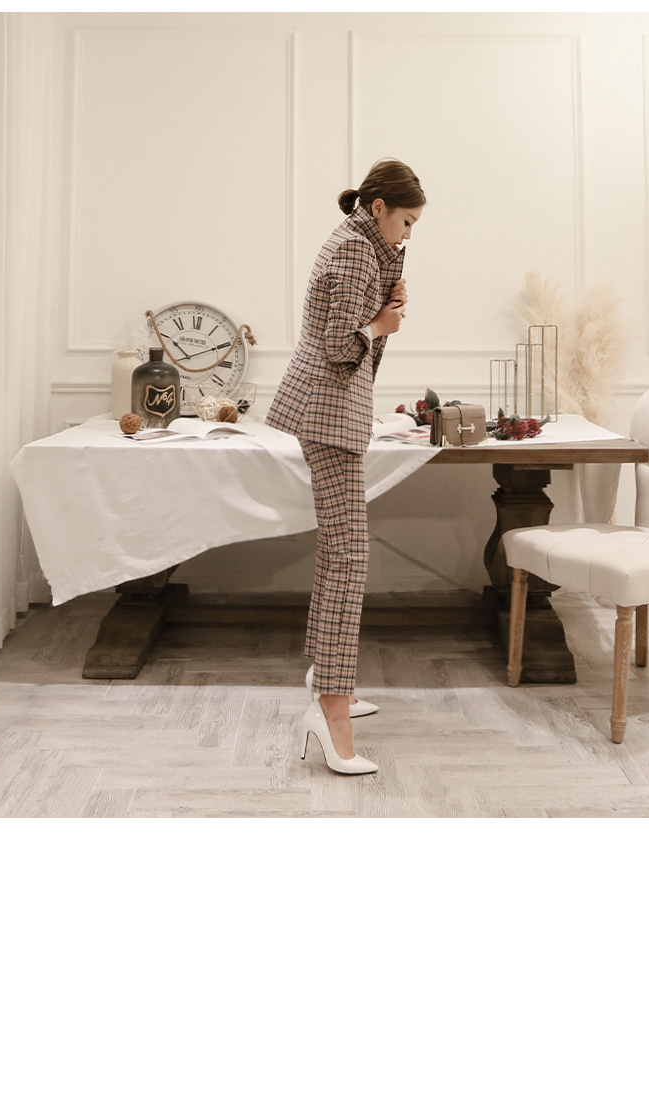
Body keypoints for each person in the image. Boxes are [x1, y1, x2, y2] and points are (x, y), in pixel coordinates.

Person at [266, 159, 425, 776]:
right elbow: (339, 345)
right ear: (379, 207)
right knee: (349, 555)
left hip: (331, 407)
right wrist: (382, 322)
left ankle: (330, 680)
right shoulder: (358, 250)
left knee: (340, 551)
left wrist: (386, 306)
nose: (408, 234)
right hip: (327, 410)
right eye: (406, 221)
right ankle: (330, 707)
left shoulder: (362, 243)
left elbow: (350, 330)